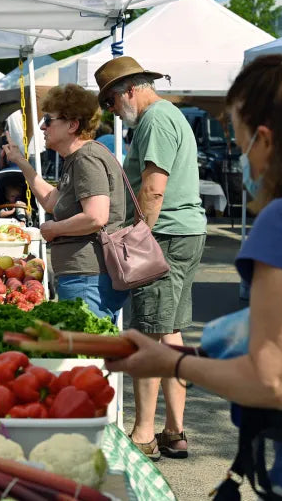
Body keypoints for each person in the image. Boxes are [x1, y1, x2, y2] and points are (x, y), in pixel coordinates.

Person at [106, 55, 282, 498]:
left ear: (267, 140)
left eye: (239, 137)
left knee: (160, 328)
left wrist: (173, 362)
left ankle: (152, 431)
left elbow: (272, 380)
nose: (238, 153)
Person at [96, 55, 207, 459]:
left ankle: (144, 434)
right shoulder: (166, 116)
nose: (112, 111)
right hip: (183, 233)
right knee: (170, 334)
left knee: (146, 335)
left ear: (128, 91)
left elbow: (154, 188)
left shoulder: (156, 119)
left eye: (110, 102)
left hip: (166, 236)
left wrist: (136, 234)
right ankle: (174, 432)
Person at [3, 84, 128, 321]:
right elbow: (52, 201)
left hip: (88, 277)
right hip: (84, 275)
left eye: (48, 120)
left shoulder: (87, 158)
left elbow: (96, 216)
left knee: (86, 352)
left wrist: (53, 229)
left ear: (72, 125)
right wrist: (21, 161)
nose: (42, 126)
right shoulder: (76, 159)